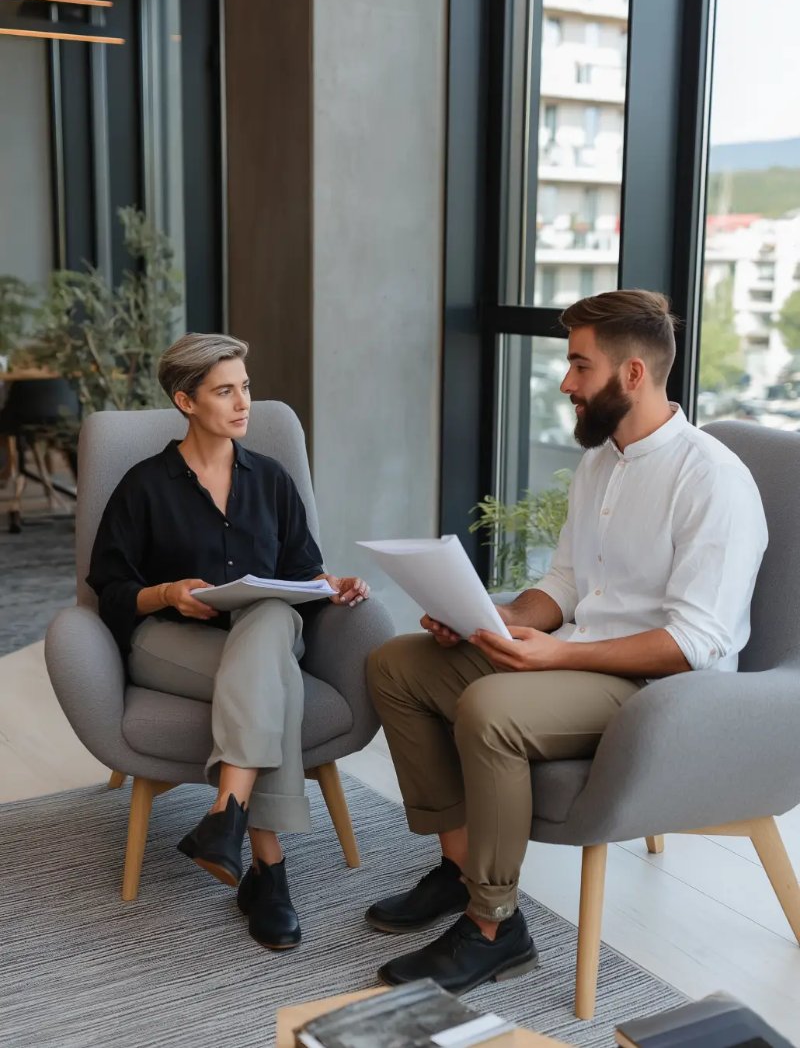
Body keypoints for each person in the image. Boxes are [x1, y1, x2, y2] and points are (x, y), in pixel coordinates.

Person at [365, 289, 768, 994]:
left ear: (633, 374)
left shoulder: (712, 481)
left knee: (491, 709)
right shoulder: (601, 464)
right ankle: (461, 870)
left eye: (580, 366)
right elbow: (567, 584)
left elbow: (696, 642)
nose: (566, 383)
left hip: (664, 693)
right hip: (584, 658)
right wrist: (493, 619)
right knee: (398, 664)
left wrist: (559, 654)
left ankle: (496, 928)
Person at [87, 333, 369, 950]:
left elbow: (302, 571)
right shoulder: (144, 485)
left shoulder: (271, 479)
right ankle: (263, 867)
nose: (243, 403)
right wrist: (167, 593)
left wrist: (332, 585)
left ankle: (231, 823)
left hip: (264, 634)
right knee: (274, 683)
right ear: (186, 402)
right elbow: (108, 586)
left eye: (245, 387)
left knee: (267, 619)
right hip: (171, 641)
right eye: (224, 391)